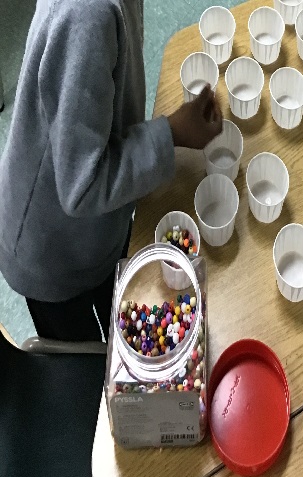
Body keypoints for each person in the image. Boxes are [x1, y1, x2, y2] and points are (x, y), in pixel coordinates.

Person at [0, 0, 222, 342]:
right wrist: (171, 133)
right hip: (51, 251)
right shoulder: (87, 16)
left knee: (120, 318)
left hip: (97, 225)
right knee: (85, 364)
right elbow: (82, 187)